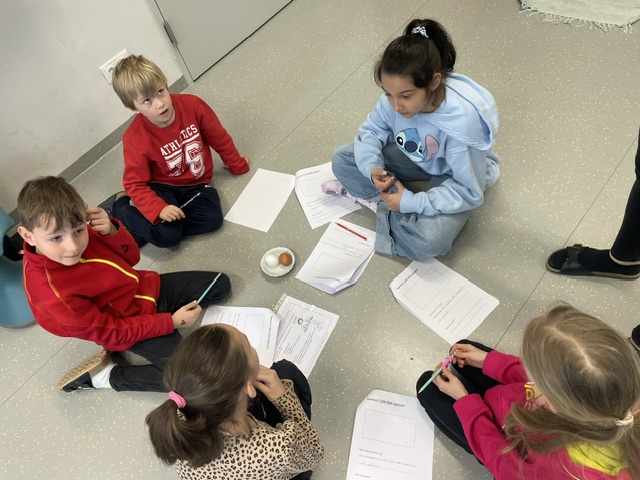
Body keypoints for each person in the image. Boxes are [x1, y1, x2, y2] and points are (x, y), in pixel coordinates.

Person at [17, 176, 232, 393]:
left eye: (78, 230)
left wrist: (112, 231)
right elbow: (114, 331)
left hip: (144, 291)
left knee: (221, 285)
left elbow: (131, 259)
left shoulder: (78, 231)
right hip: (124, 325)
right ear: (28, 236)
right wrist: (170, 322)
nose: (73, 246)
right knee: (195, 380)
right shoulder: (52, 295)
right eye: (56, 238)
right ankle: (109, 377)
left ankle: (164, 332)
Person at [327, 19, 500, 261]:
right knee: (343, 158)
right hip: (422, 156)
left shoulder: (459, 129)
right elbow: (371, 131)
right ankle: (395, 206)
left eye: (406, 96)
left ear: (434, 82)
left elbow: (469, 191)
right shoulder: (395, 100)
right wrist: (373, 168)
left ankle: (391, 206)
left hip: (456, 175)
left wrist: (412, 202)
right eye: (389, 94)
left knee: (428, 241)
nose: (396, 106)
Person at [416, 304, 640, 479]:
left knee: (426, 386)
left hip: (505, 447)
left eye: (532, 370)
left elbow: (502, 462)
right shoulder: (618, 394)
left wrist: (465, 402)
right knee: (463, 348)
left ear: (553, 401)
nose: (525, 368)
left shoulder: (559, 469)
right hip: (521, 412)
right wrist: (489, 361)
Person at [146, 323, 324, 480]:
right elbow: (315, 453)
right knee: (286, 371)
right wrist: (283, 397)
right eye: (248, 344)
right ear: (248, 387)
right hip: (275, 464)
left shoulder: (179, 431)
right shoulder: (279, 447)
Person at [106, 54, 250, 248]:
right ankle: (121, 209)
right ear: (133, 107)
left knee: (213, 220)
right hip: (163, 187)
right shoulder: (135, 138)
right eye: (147, 100)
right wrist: (159, 209)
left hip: (198, 183)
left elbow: (219, 138)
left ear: (166, 85)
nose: (160, 103)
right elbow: (134, 184)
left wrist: (237, 164)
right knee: (169, 238)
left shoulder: (193, 105)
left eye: (160, 91)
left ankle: (148, 230)